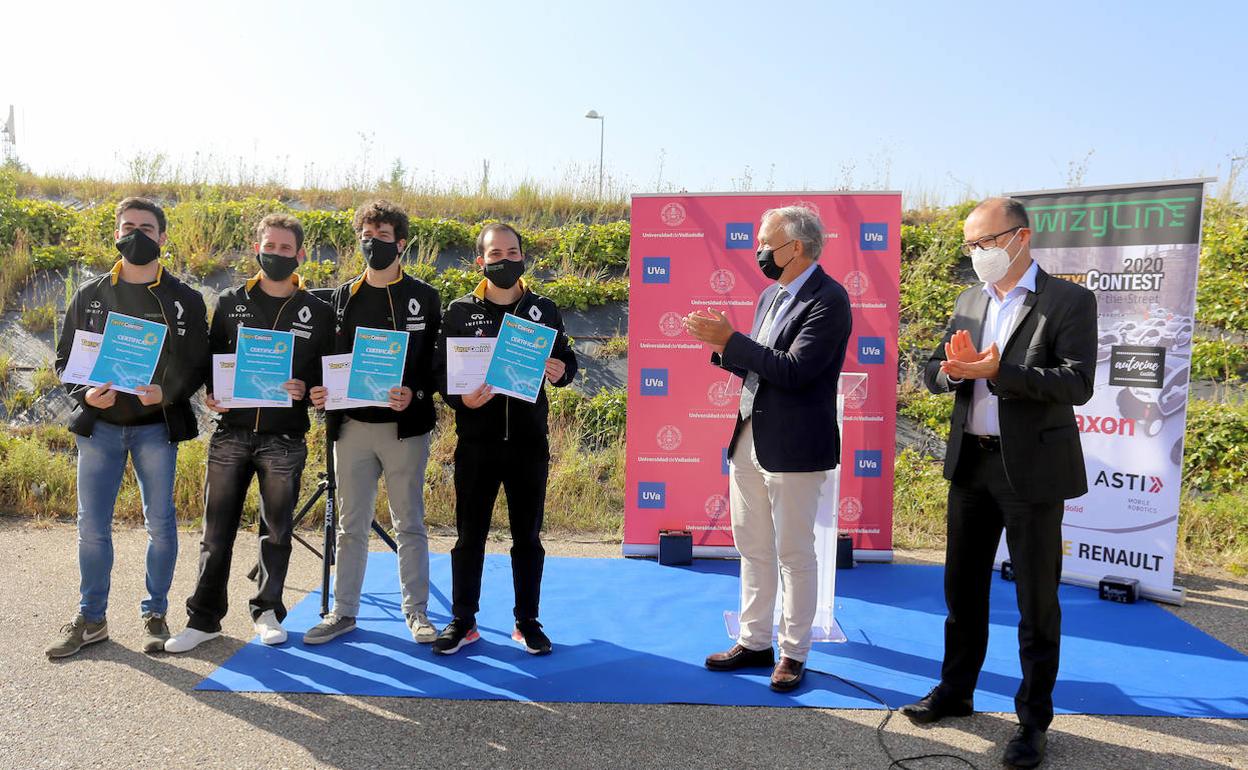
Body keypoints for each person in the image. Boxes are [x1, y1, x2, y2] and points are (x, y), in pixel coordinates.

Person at [900, 197, 1097, 769]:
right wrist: (949, 371)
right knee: (962, 592)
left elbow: (1077, 382)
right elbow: (935, 372)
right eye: (970, 246)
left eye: (983, 242)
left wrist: (999, 373)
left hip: (1033, 472)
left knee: (1037, 600)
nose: (976, 254)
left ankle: (1032, 722)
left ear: (1020, 238)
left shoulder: (1068, 301)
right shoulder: (968, 300)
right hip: (971, 466)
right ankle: (956, 692)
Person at [684, 205, 852, 692]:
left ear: (794, 248)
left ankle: (793, 652)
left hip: (796, 446)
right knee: (752, 547)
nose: (758, 251)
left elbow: (796, 371)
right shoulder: (769, 296)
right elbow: (762, 368)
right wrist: (723, 349)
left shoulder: (829, 299)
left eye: (765, 242)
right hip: (749, 437)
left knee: (793, 552)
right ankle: (756, 641)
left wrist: (730, 340)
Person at [47, 197, 208, 658]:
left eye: (146, 227)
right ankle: (91, 618)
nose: (136, 233)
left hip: (156, 427)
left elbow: (198, 363)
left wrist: (168, 393)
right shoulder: (91, 294)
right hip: (100, 428)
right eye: (127, 226)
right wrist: (84, 396)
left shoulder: (185, 299)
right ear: (116, 233)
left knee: (161, 523)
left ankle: (155, 613)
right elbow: (66, 360)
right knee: (91, 527)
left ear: (162, 236)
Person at [164, 213, 333, 653]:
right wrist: (210, 394)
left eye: (285, 248)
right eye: (268, 246)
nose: (276, 254)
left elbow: (325, 377)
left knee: (276, 532)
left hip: (285, 439)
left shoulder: (318, 311)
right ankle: (203, 619)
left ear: (299, 254)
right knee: (215, 532)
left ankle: (267, 610)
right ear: (256, 248)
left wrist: (307, 388)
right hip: (231, 434)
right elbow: (210, 360)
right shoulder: (230, 300)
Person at [431, 222, 577, 656]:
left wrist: (560, 370)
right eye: (495, 255)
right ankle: (463, 619)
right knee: (468, 536)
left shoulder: (543, 309)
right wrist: (462, 401)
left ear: (523, 256)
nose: (505, 261)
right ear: (481, 261)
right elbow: (441, 374)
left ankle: (527, 620)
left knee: (527, 538)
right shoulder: (460, 311)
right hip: (477, 443)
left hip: (529, 445)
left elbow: (567, 359)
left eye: (513, 252)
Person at [305, 200, 442, 645]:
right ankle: (344, 612)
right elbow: (327, 358)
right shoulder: (342, 296)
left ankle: (417, 613)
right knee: (351, 525)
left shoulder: (425, 297)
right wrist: (320, 391)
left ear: (400, 243)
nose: (373, 244)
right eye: (366, 236)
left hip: (405, 430)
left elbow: (435, 366)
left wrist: (415, 393)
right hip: (352, 430)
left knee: (410, 524)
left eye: (382, 237)